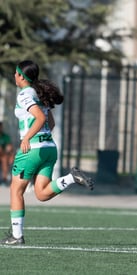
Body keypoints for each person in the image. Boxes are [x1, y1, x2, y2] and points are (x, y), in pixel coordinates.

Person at [0, 60, 94, 245]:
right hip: (49, 148)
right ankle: (70, 178)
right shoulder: (39, 93)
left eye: (16, 73)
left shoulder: (25, 94)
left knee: (15, 190)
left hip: (32, 149)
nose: (14, 76)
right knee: (41, 194)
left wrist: (27, 138)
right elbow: (50, 123)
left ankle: (17, 236)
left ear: (21, 76)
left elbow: (41, 117)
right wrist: (40, 138)